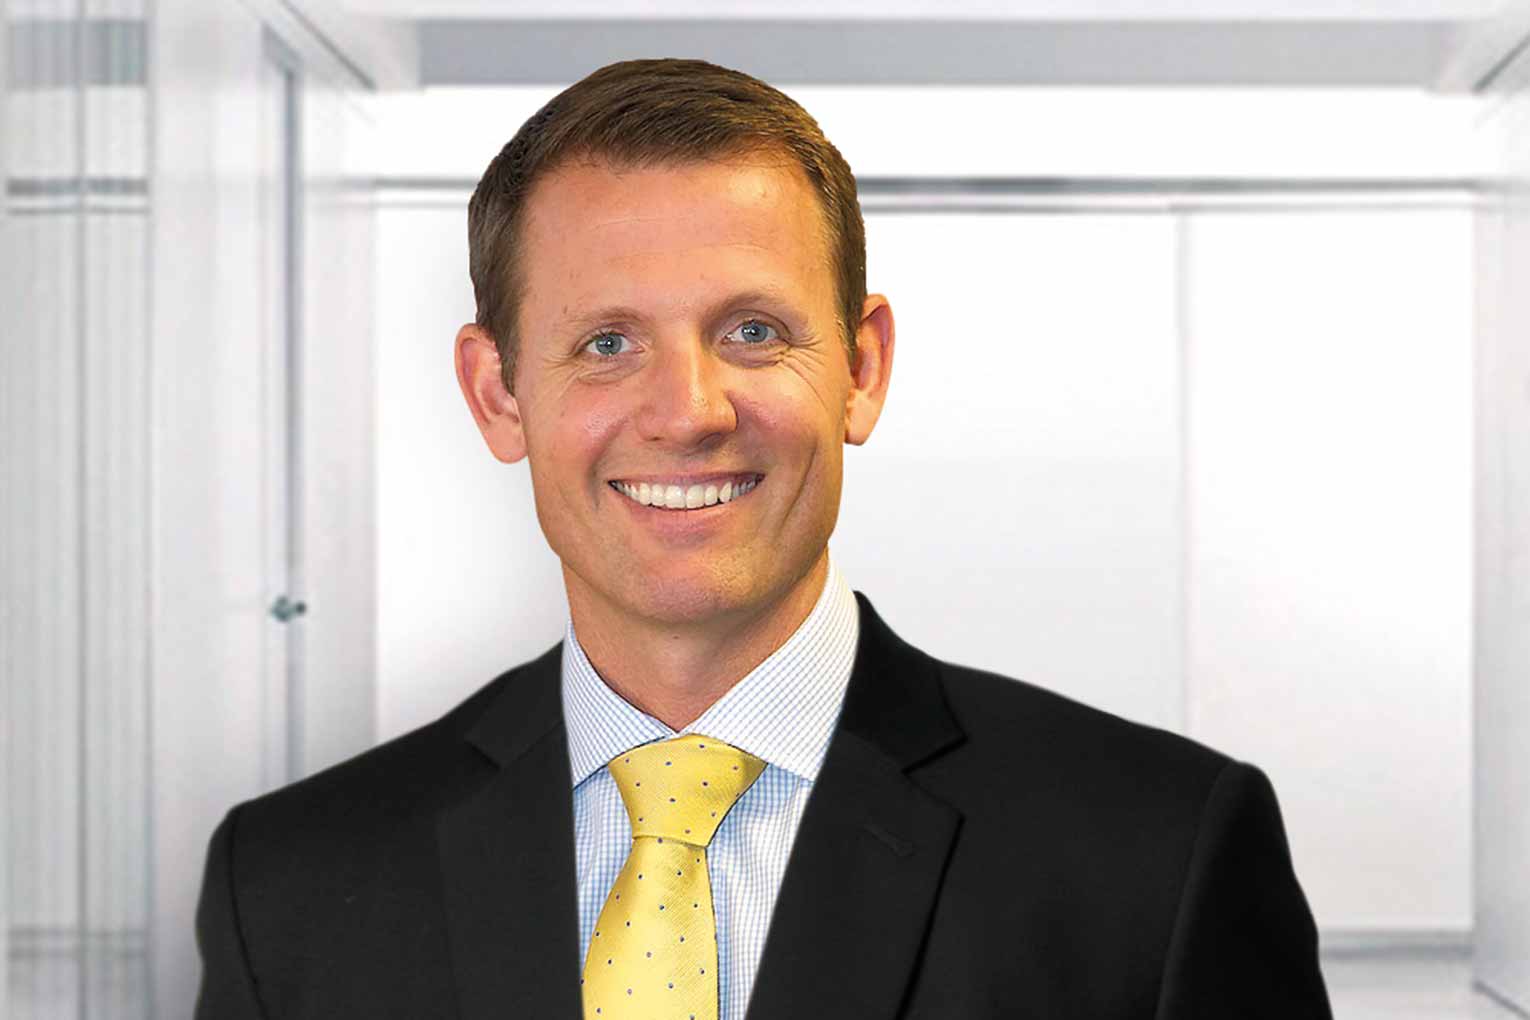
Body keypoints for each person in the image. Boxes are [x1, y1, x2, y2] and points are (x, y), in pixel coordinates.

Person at [193, 57, 1333, 1020]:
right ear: (497, 396)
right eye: (606, 344)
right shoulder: (290, 888)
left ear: (862, 370)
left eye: (751, 331)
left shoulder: (1159, 856)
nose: (689, 412)